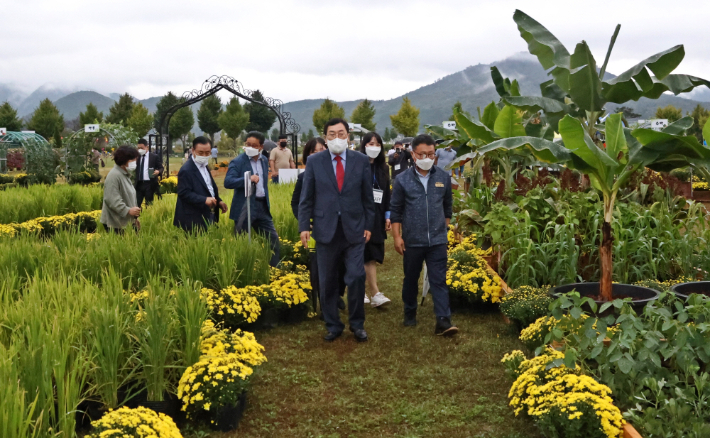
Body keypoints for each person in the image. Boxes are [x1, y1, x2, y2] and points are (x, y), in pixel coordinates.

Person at [298, 118, 375, 342]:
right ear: (325, 137)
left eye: (341, 133)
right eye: (332, 134)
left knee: (356, 276)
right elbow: (307, 198)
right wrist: (304, 225)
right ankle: (333, 324)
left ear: (348, 136)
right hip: (325, 229)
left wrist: (369, 224)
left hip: (354, 230)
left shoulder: (361, 161)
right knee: (327, 280)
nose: (337, 138)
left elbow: (367, 197)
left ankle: (357, 324)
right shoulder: (315, 161)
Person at [390, 134, 458, 337]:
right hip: (413, 240)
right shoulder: (402, 180)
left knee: (438, 279)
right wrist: (397, 237)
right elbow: (396, 211)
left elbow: (448, 207)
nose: (427, 158)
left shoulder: (443, 178)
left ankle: (443, 320)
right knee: (411, 278)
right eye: (423, 154)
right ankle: (409, 311)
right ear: (414, 154)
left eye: (431, 154)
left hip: (437, 240)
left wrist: (443, 229)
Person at [224, 131, 280, 267]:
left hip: (261, 206)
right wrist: (247, 179)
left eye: (254, 145)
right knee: (241, 242)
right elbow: (228, 182)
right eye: (247, 144)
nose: (250, 147)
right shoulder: (238, 162)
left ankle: (275, 269)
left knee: (273, 240)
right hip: (245, 206)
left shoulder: (264, 160)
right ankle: (241, 271)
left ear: (261, 147)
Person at [291, 137, 327, 310]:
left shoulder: (336, 174)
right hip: (315, 228)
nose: (319, 154)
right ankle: (321, 303)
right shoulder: (304, 177)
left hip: (335, 226)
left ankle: (334, 295)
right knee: (317, 266)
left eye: (322, 150)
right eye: (314, 152)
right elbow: (296, 203)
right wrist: (305, 223)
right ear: (307, 156)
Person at [359, 132, 392, 307]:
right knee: (360, 253)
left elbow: (387, 193)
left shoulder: (383, 168)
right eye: (371, 143)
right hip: (360, 216)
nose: (374, 147)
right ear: (363, 145)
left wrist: (388, 215)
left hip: (377, 215)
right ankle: (362, 291)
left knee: (372, 254)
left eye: (378, 144)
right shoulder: (357, 166)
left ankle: (374, 293)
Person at [174, 136, 228, 232]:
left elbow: (209, 186)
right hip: (193, 218)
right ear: (193, 150)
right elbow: (183, 193)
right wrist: (204, 200)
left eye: (207, 153)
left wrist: (218, 201)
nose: (204, 156)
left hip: (208, 213)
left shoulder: (205, 165)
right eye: (200, 153)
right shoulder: (186, 170)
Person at [101, 145, 141, 234]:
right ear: (124, 160)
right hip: (115, 223)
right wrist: (127, 211)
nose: (135, 162)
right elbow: (111, 199)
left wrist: (134, 219)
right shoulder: (114, 176)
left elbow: (129, 197)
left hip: (125, 222)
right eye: (133, 159)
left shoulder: (124, 174)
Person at [135, 139, 164, 208]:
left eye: (141, 148)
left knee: (149, 204)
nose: (140, 150)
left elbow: (161, 168)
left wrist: (158, 171)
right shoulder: (137, 157)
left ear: (147, 147)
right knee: (136, 204)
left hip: (149, 184)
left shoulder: (154, 157)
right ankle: (136, 217)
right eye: (138, 148)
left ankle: (148, 216)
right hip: (139, 184)